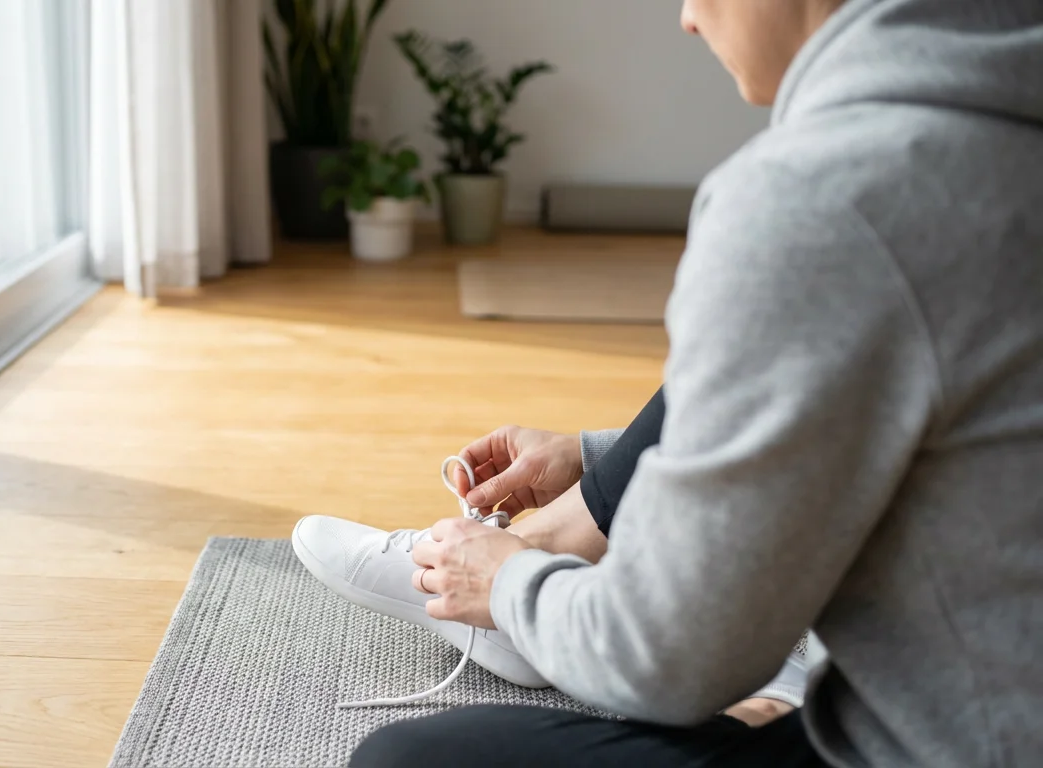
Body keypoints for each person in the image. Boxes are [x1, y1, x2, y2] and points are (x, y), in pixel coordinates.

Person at [295, 0, 1043, 765]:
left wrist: (513, 584)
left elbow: (669, 664)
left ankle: (547, 568)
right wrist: (600, 458)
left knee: (406, 762)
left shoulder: (825, 195)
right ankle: (565, 546)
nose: (688, 18)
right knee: (760, 346)